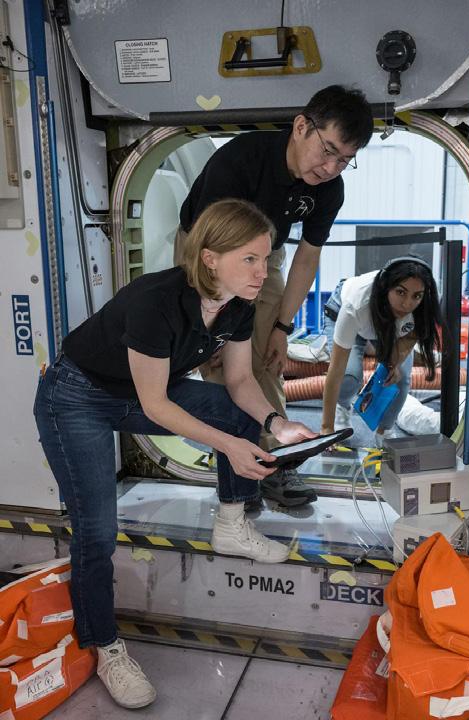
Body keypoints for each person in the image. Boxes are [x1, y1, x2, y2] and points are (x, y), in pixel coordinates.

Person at [33, 199, 316, 710]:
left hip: (141, 391)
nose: (263, 271)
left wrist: (277, 423)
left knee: (238, 412)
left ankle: (231, 525)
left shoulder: (238, 303)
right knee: (96, 532)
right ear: (210, 257)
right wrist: (230, 446)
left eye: (266, 258)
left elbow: (239, 381)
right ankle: (104, 646)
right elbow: (157, 406)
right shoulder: (157, 300)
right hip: (76, 399)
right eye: (250, 259)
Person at [175, 84, 373, 507]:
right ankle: (240, 474)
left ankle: (277, 463)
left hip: (267, 254)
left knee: (267, 357)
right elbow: (208, 252)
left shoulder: (329, 189)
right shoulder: (241, 160)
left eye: (345, 160)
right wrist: (214, 330)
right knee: (222, 364)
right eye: (328, 150)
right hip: (207, 252)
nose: (332, 167)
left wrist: (282, 327)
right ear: (301, 127)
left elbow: (307, 257)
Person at [320, 256, 443, 445]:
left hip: (386, 325)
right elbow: (335, 370)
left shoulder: (422, 306)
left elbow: (409, 338)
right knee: (349, 376)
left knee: (401, 377)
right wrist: (326, 428)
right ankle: (342, 407)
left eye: (416, 296)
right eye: (401, 292)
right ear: (387, 287)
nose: (407, 304)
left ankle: (384, 431)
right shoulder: (355, 305)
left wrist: (394, 363)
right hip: (346, 314)